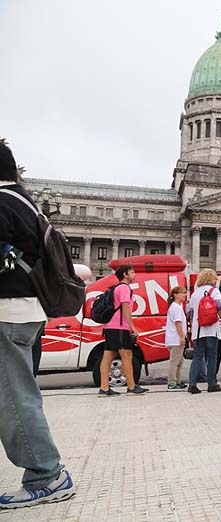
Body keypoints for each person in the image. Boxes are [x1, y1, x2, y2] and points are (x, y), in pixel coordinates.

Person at [0, 140, 74, 509]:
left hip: (7, 313)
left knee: (14, 400)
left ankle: (47, 475)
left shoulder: (1, 202)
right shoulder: (26, 202)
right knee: (18, 396)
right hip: (28, 311)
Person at [99, 264, 148, 396]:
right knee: (127, 356)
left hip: (110, 326)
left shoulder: (116, 287)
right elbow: (126, 307)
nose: (134, 275)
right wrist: (132, 326)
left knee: (107, 356)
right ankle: (131, 387)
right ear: (125, 275)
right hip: (120, 327)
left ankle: (104, 388)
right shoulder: (124, 288)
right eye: (132, 272)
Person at [187, 269, 221, 394]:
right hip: (211, 328)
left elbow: (191, 312)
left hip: (198, 329)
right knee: (212, 356)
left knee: (197, 356)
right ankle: (211, 383)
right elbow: (219, 305)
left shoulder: (195, 293)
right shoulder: (214, 291)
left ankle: (192, 384)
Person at [165, 286, 188, 391]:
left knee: (179, 361)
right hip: (175, 339)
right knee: (174, 361)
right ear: (175, 295)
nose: (185, 295)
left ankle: (177, 381)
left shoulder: (175, 307)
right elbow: (178, 323)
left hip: (173, 339)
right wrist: (182, 337)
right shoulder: (176, 308)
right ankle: (172, 382)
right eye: (182, 293)